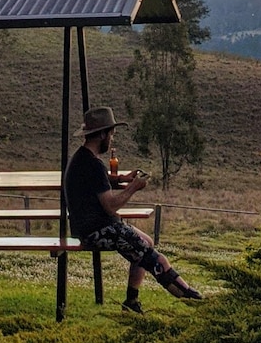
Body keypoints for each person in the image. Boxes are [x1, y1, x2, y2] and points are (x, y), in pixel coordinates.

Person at [64, 106, 202, 313]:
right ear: (102, 134)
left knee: (145, 242)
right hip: (97, 231)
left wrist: (121, 179)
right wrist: (133, 187)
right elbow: (110, 206)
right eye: (111, 134)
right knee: (153, 258)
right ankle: (191, 298)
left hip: (91, 227)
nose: (112, 139)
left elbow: (96, 182)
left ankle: (131, 301)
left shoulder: (82, 159)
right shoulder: (93, 165)